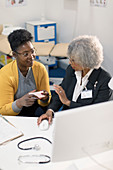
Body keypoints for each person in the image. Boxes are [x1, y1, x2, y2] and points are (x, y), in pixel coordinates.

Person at [38, 35, 112, 124]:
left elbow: (95, 112)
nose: (69, 62)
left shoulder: (104, 80)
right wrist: (50, 111)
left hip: (88, 122)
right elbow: (61, 92)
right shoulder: (71, 70)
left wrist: (68, 103)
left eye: (73, 60)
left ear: (86, 61)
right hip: (66, 117)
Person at [0, 29, 51, 117]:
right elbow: (3, 110)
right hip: (15, 112)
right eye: (25, 54)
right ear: (14, 55)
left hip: (35, 108)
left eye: (32, 51)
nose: (31, 57)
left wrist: (44, 99)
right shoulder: (5, 74)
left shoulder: (40, 69)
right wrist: (19, 103)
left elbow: (45, 102)